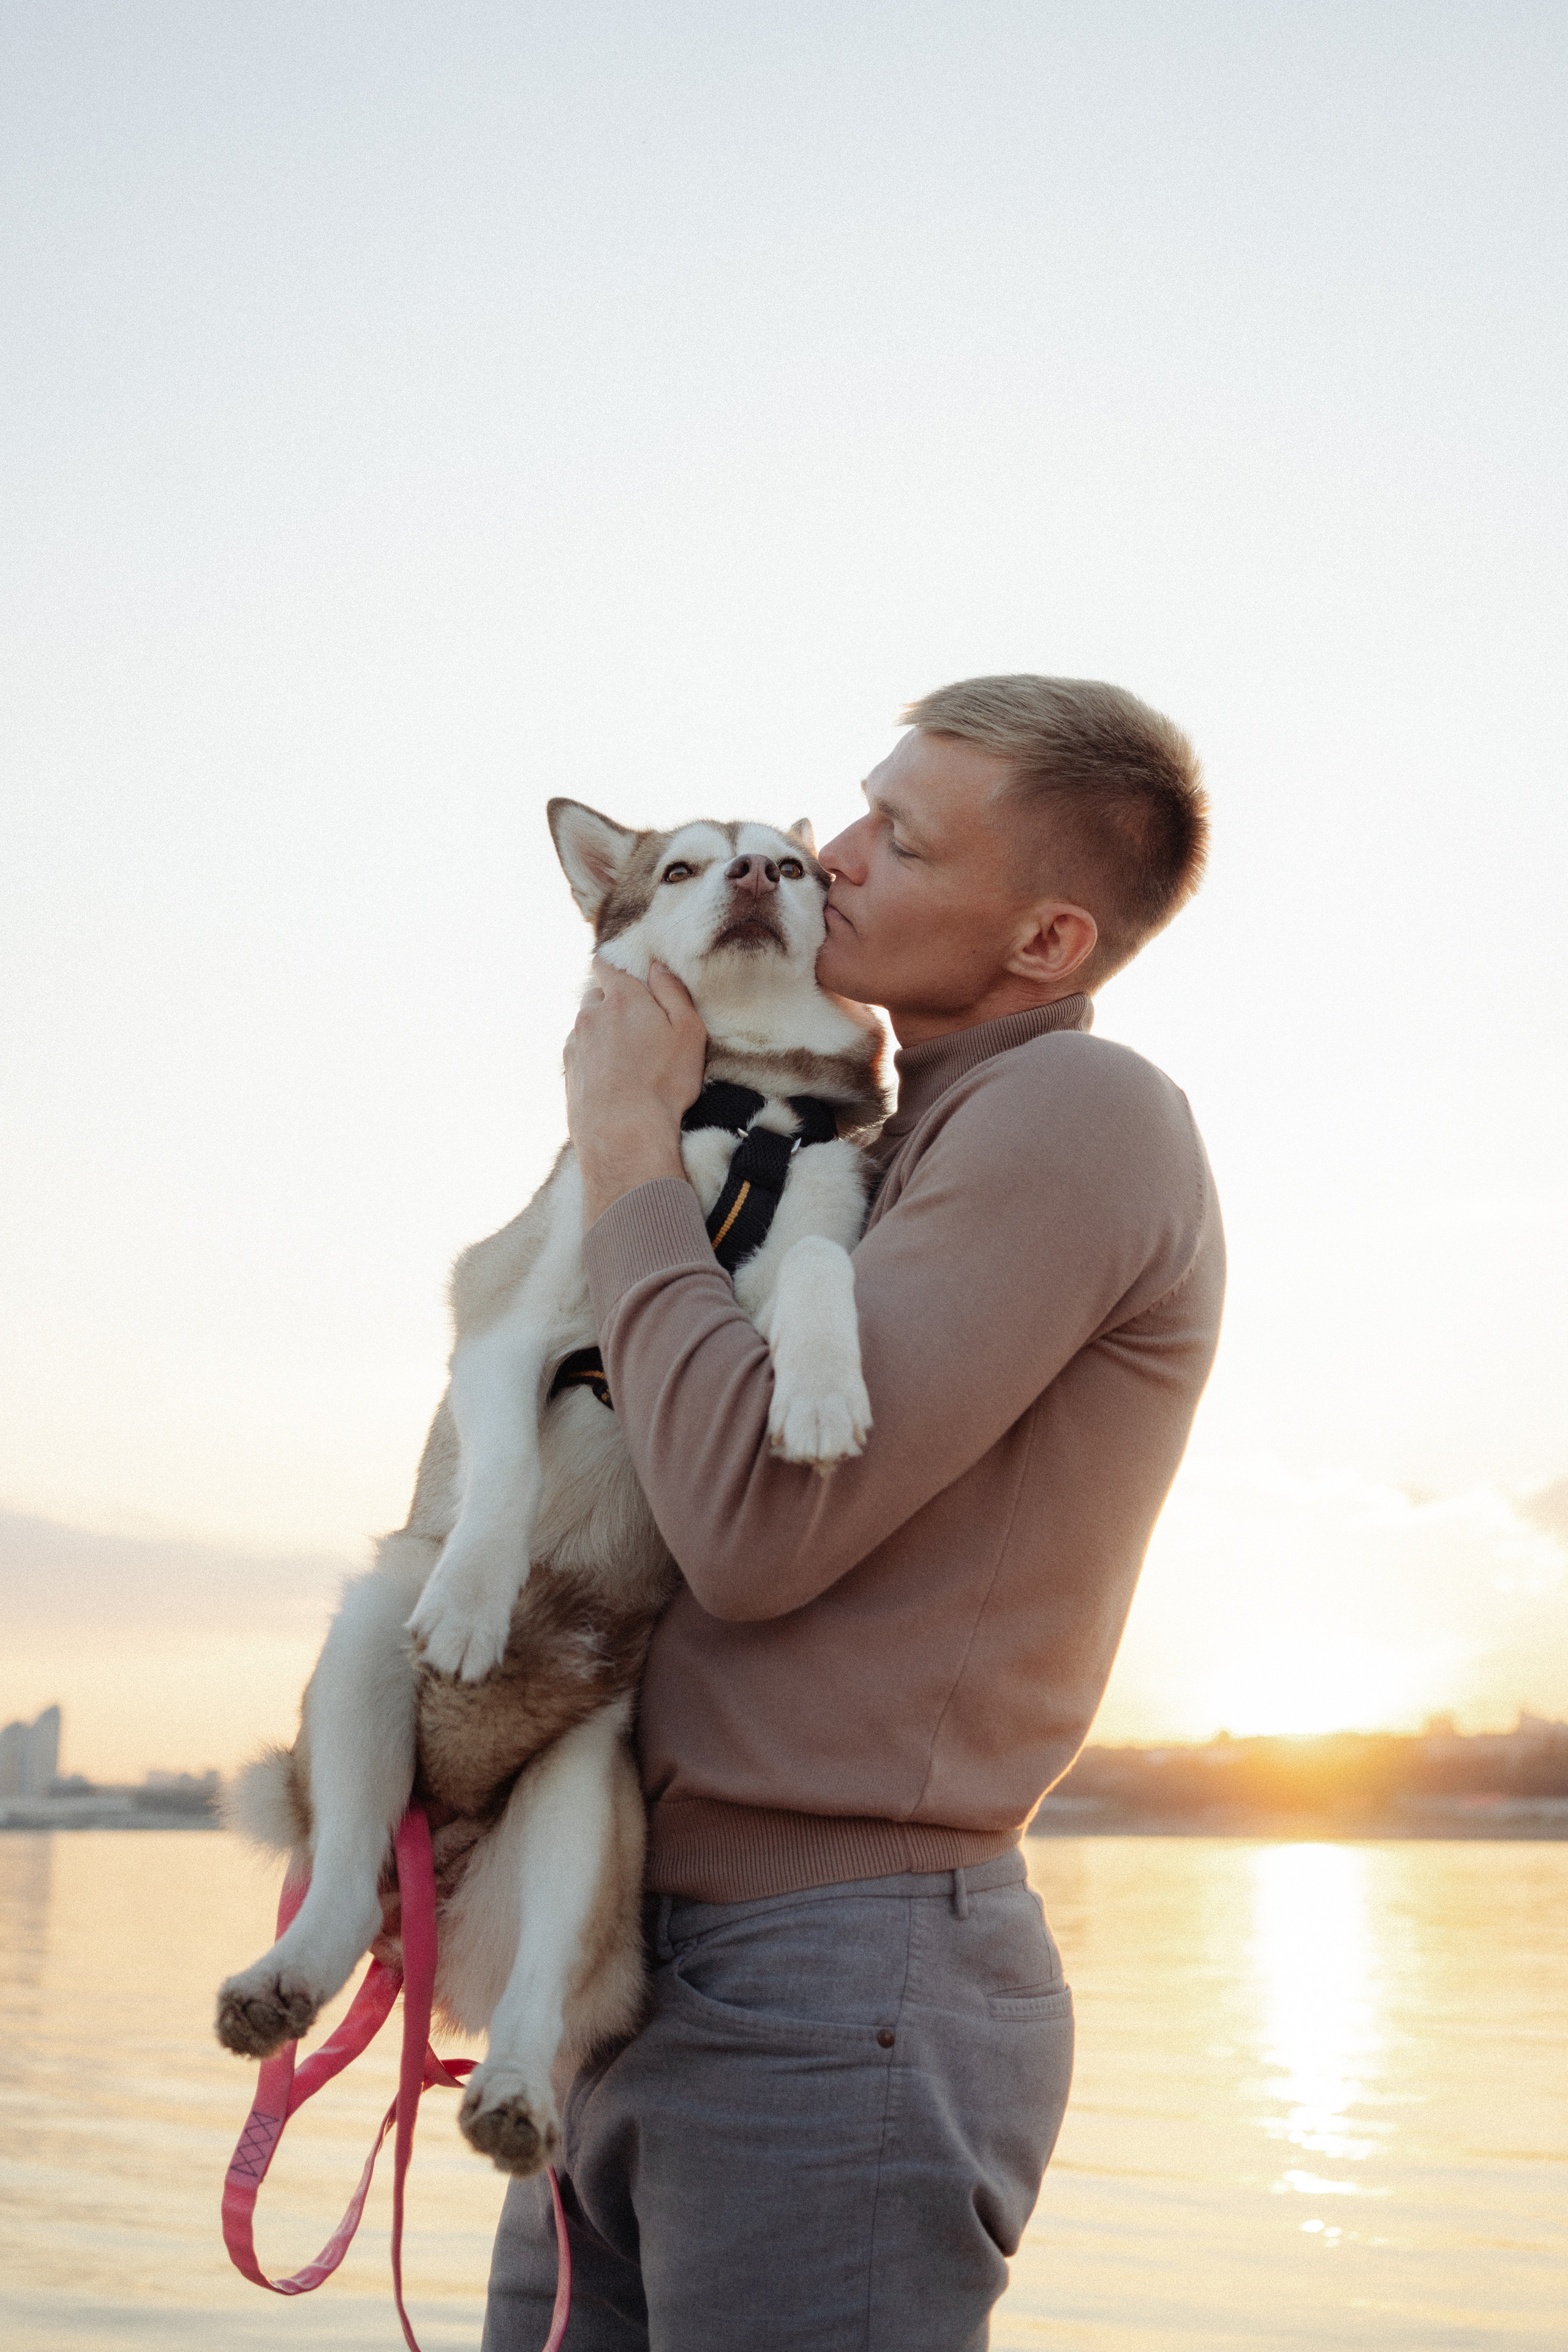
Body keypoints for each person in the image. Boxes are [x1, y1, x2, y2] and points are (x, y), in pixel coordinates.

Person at [482, 674, 1226, 2351]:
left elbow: (748, 1526)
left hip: (828, 1983)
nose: (835, 856)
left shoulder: (1073, 1117)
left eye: (904, 839)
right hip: (624, 1957)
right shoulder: (870, 1129)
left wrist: (623, 1153)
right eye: (858, 809)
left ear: (1045, 945)